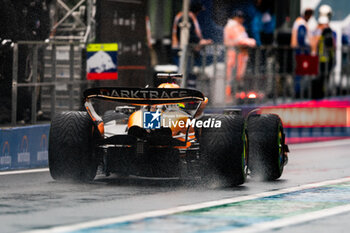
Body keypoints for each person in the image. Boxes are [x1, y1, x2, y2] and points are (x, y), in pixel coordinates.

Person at [171, 0, 212, 88]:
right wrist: (200, 41)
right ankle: (180, 91)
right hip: (181, 49)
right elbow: (188, 35)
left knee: (187, 72)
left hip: (183, 49)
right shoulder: (186, 17)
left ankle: (184, 90)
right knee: (183, 72)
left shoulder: (185, 16)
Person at [224, 10, 256, 102]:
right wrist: (252, 42)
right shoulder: (232, 26)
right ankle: (229, 99)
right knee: (231, 78)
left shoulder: (234, 26)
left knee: (235, 78)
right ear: (237, 18)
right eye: (241, 18)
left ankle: (233, 98)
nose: (242, 20)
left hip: (238, 55)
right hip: (234, 56)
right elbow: (240, 40)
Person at [312, 5, 336, 99]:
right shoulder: (327, 30)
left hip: (322, 58)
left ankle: (320, 95)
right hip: (324, 59)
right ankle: (320, 96)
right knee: (322, 79)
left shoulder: (317, 29)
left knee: (321, 79)